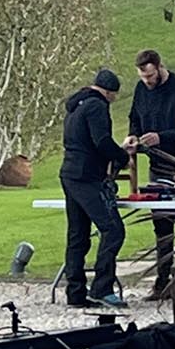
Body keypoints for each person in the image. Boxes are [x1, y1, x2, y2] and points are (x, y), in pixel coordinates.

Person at [121, 48, 175, 297]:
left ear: (159, 67)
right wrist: (133, 136)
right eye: (143, 77)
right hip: (157, 165)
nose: (147, 81)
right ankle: (163, 281)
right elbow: (135, 117)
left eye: (150, 76)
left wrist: (161, 137)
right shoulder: (141, 89)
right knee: (161, 225)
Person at [59, 67, 131, 310]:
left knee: (78, 234)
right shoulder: (97, 106)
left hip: (69, 172)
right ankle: (102, 288)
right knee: (113, 229)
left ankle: (75, 291)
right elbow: (101, 141)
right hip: (87, 176)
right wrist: (122, 157)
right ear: (109, 92)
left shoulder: (76, 106)